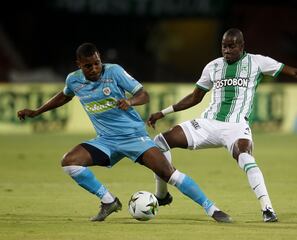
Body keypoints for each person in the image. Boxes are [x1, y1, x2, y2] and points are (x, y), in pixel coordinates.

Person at [147, 28, 297, 223]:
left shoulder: (257, 62)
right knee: (160, 141)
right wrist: (163, 113)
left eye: (232, 46)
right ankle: (162, 195)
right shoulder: (213, 66)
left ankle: (267, 209)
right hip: (208, 124)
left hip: (236, 127)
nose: (227, 51)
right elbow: (194, 97)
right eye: (224, 46)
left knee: (245, 158)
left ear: (242, 45)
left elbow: (295, 72)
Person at [17, 42, 232, 223]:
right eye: (88, 66)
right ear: (79, 65)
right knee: (69, 161)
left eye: (97, 63)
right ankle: (109, 201)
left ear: (100, 59)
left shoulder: (114, 72)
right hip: (106, 141)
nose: (94, 69)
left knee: (170, 174)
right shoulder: (73, 80)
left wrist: (130, 101)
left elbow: (144, 95)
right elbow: (64, 96)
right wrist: (37, 112)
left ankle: (212, 209)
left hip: (134, 138)